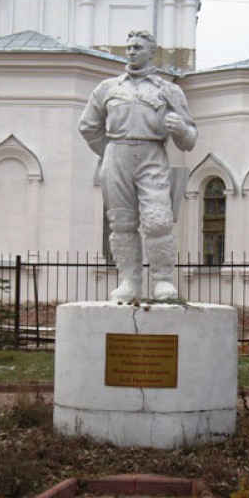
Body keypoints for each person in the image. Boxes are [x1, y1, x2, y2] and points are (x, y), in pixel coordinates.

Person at [79, 30, 197, 301]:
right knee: (121, 223)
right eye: (129, 47)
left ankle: (162, 282)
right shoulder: (107, 88)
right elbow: (88, 126)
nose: (131, 51)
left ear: (150, 52)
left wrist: (180, 129)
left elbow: (189, 140)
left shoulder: (169, 90)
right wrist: (109, 151)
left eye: (138, 47)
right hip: (116, 156)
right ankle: (129, 282)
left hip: (152, 154)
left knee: (158, 221)